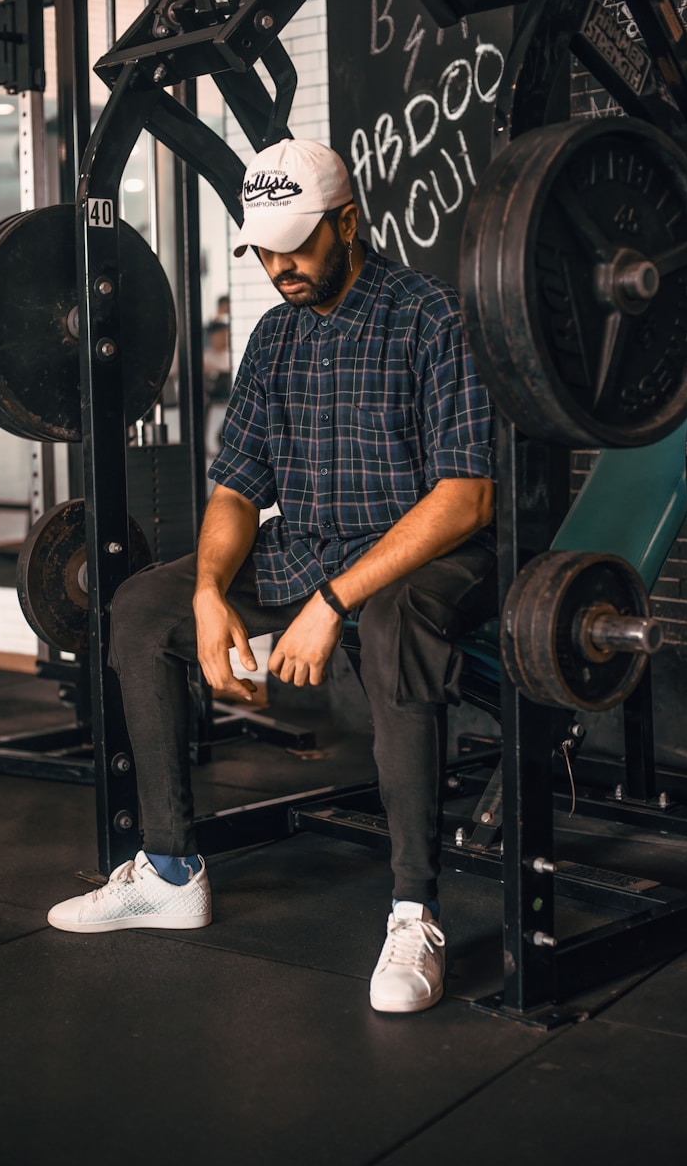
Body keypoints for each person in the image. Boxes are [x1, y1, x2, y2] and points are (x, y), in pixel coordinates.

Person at [47, 139, 497, 1015]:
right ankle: (172, 869)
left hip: (431, 557)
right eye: (262, 246)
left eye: (295, 243)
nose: (277, 264)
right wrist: (212, 592)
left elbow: (465, 499)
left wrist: (333, 604)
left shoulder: (433, 316)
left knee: (391, 621)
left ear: (349, 222)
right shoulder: (274, 338)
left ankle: (413, 910)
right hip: (311, 549)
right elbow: (236, 489)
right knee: (144, 604)